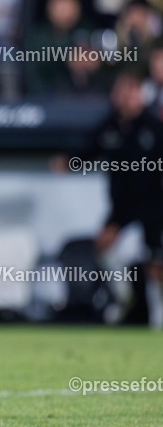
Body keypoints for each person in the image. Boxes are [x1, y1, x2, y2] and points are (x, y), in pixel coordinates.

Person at [54, 72, 163, 325]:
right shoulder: (111, 125)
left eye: (131, 91)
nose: (126, 97)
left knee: (156, 264)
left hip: (154, 206)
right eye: (121, 91)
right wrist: (69, 162)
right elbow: (90, 149)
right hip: (122, 206)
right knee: (104, 246)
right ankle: (123, 298)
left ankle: (158, 315)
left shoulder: (153, 127)